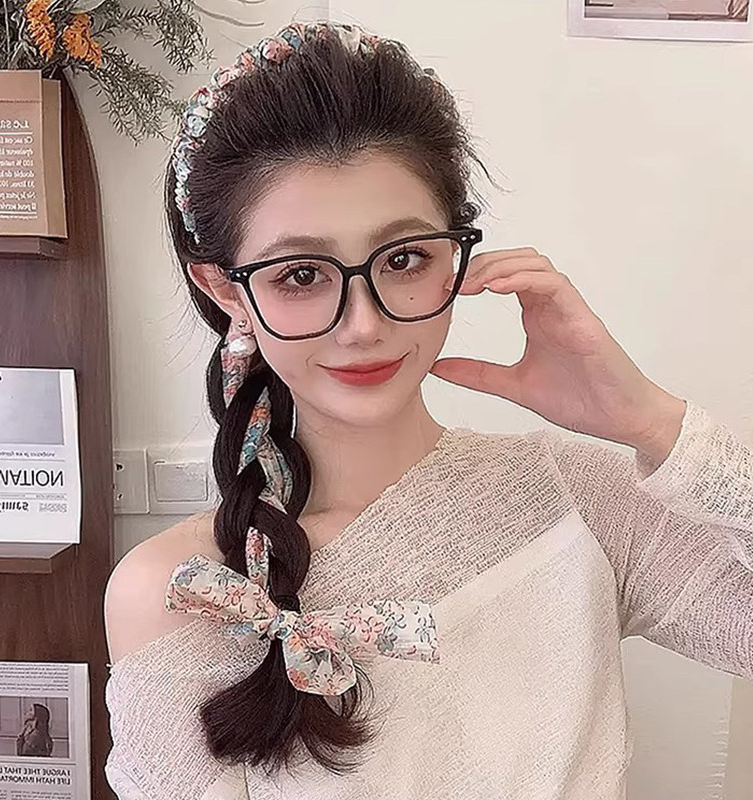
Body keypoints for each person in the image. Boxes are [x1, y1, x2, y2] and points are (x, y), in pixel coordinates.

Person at [103, 20, 752, 800]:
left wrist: (648, 420)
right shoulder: (180, 589)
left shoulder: (575, 498)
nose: (363, 324)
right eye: (301, 274)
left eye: (404, 258)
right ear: (223, 288)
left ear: (456, 255)